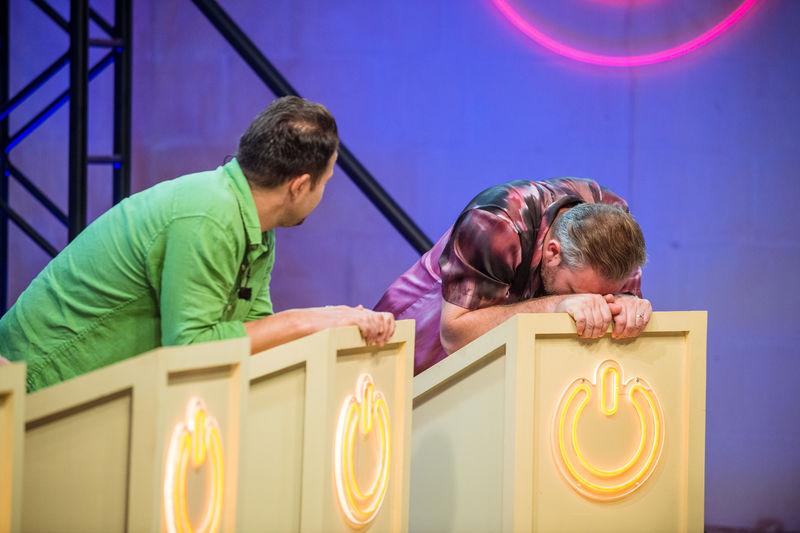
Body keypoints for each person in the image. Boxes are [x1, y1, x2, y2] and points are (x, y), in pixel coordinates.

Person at [0, 96, 394, 391]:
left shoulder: (255, 224)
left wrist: (338, 323)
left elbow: (250, 334)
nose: (323, 194)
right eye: (326, 182)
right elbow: (191, 348)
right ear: (300, 185)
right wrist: (308, 320)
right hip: (32, 386)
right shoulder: (210, 215)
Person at [375, 178, 650, 375]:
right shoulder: (494, 221)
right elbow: (455, 334)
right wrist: (556, 304)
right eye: (577, 292)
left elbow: (617, 301)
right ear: (553, 252)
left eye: (602, 295)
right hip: (424, 334)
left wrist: (626, 303)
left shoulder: (618, 227)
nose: (592, 302)